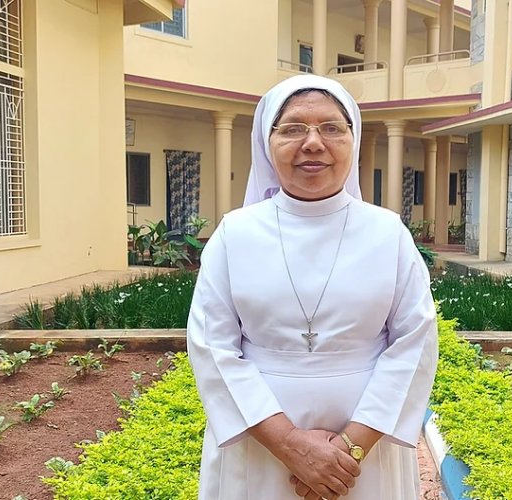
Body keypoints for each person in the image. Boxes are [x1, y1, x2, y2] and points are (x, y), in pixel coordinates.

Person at [187, 74, 438, 500]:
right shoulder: (235, 234)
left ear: (353, 139)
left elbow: (415, 343)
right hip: (260, 440)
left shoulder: (388, 232)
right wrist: (289, 444)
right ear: (266, 142)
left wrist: (350, 448)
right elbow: (212, 347)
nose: (313, 143)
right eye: (292, 129)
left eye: (332, 128)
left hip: (365, 447)